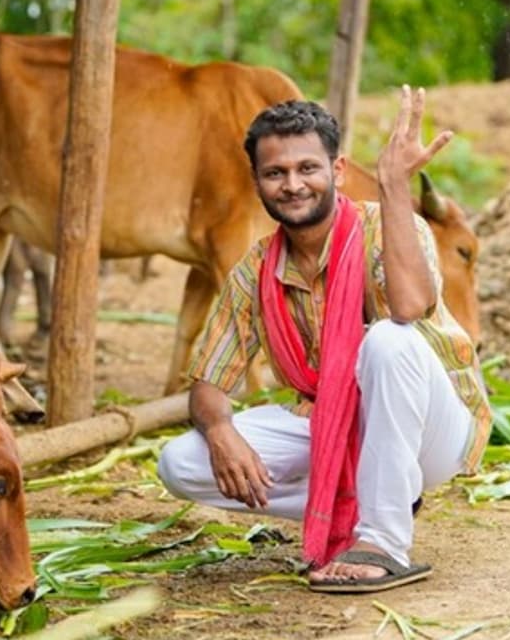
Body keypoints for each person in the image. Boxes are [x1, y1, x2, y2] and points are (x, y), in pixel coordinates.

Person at [157, 88, 491, 592]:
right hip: (329, 422)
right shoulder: (257, 270)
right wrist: (222, 432)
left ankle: (383, 541)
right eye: (276, 173)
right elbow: (207, 384)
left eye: (308, 168)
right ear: (258, 183)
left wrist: (394, 186)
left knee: (388, 341)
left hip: (434, 428)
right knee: (180, 463)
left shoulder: (389, 225)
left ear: (336, 172)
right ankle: (378, 492)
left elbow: (409, 308)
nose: (293, 185)